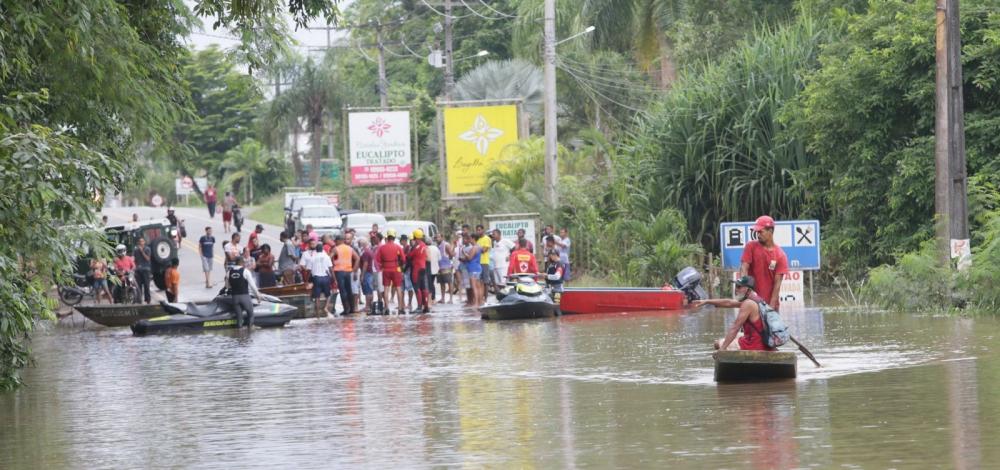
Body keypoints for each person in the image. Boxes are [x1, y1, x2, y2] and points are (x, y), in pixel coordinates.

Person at [691, 275, 775, 352]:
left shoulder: (748, 304)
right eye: (736, 286)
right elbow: (729, 302)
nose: (736, 289)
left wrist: (722, 349)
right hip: (761, 340)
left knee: (717, 344)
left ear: (748, 289)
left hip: (754, 345)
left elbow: (735, 328)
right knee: (734, 336)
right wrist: (706, 301)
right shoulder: (756, 299)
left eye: (739, 287)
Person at [740, 215, 789, 310]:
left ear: (770, 231)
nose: (758, 235)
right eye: (757, 232)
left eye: (761, 232)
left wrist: (771, 308)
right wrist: (745, 287)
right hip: (751, 303)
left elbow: (777, 284)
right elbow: (744, 268)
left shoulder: (780, 255)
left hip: (770, 304)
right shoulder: (751, 247)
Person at [376, 229, 406, 314]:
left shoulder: (382, 247)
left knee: (386, 288)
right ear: (394, 237)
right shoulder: (398, 247)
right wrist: (400, 265)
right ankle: (400, 308)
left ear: (387, 237)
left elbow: (378, 259)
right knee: (398, 287)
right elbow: (403, 259)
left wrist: (382, 266)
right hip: (396, 269)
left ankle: (386, 308)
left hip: (385, 269)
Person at [226, 256, 260, 328]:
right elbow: (252, 285)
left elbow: (227, 286)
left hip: (234, 298)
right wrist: (258, 295)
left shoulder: (229, 272)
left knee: (239, 318)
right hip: (244, 296)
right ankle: (250, 330)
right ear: (242, 262)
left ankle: (239, 332)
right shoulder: (245, 271)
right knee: (250, 314)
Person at [303, 239, 335, 316]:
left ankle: (317, 314)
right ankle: (326, 307)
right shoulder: (327, 257)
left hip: (316, 278)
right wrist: (334, 279)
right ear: (322, 249)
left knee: (317, 297)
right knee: (328, 294)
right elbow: (331, 269)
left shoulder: (312, 258)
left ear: (316, 250)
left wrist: (306, 280)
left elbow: (309, 271)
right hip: (325, 278)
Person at [332, 235, 360, 314]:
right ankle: (351, 308)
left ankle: (346, 309)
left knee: (342, 290)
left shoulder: (336, 249)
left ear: (339, 241)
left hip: (339, 272)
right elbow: (357, 258)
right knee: (349, 290)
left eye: (336, 241)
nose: (335, 243)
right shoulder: (349, 248)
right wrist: (354, 270)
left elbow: (329, 257)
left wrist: (332, 265)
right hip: (348, 271)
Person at [408, 229, 431, 313]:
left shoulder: (416, 247)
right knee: (424, 288)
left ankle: (419, 307)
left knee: (417, 288)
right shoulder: (424, 245)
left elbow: (409, 256)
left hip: (416, 269)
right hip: (423, 268)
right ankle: (426, 306)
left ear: (415, 237)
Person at [460, 232, 484, 306]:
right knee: (478, 286)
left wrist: (464, 253)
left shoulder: (474, 247)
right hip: (477, 267)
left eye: (470, 238)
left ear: (473, 238)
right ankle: (479, 302)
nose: (469, 240)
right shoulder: (479, 247)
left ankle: (476, 303)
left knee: (474, 287)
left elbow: (469, 258)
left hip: (473, 268)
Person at [436, 232, 455, 304]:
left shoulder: (446, 245)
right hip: (440, 267)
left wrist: (450, 263)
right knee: (442, 283)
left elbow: (451, 255)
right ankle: (443, 298)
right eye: (436, 237)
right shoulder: (438, 246)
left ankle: (451, 299)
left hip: (447, 267)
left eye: (438, 237)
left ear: (442, 237)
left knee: (449, 282)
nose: (437, 239)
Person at [133, 238, 153, 303]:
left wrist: (142, 251)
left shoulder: (147, 249)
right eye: (140, 241)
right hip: (138, 270)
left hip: (146, 269)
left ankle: (148, 300)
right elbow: (134, 259)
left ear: (144, 242)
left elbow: (148, 258)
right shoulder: (136, 250)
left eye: (142, 241)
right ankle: (139, 300)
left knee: (146, 285)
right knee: (138, 286)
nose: (141, 243)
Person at [475, 225, 492, 292]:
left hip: (484, 262)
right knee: (479, 281)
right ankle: (480, 296)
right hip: (477, 262)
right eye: (477, 230)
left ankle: (486, 297)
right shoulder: (477, 239)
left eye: (479, 230)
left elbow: (484, 250)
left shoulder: (487, 238)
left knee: (485, 281)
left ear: (483, 230)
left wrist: (476, 249)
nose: (478, 231)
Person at [427, 238, 441, 305]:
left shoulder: (426, 248)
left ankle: (432, 298)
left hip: (428, 269)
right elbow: (439, 258)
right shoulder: (436, 248)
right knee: (432, 283)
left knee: (430, 284)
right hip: (435, 269)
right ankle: (433, 298)